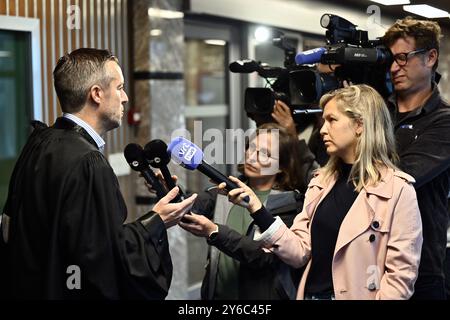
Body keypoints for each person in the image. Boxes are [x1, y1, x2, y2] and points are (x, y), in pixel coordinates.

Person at [0, 48, 197, 299]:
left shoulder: (40, 142)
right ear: (96, 94)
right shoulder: (88, 163)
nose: (125, 97)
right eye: (120, 87)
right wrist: (156, 221)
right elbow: (102, 261)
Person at [225, 84, 423, 300]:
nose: (322, 130)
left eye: (332, 120)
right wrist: (256, 208)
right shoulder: (320, 182)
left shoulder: (398, 190)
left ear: (359, 125)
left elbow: (400, 279)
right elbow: (299, 253)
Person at [179, 123, 306, 300]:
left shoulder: (290, 204)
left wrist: (214, 232)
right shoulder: (223, 192)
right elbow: (188, 206)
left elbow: (263, 257)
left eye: (265, 154)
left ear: (281, 167)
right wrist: (166, 188)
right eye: (251, 148)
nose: (252, 158)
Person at [383, 17, 450, 299]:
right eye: (390, 59)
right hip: (367, 259)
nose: (393, 67)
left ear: (430, 57)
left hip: (421, 268)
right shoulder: (377, 112)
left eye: (402, 57)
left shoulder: (444, 121)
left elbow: (401, 177)